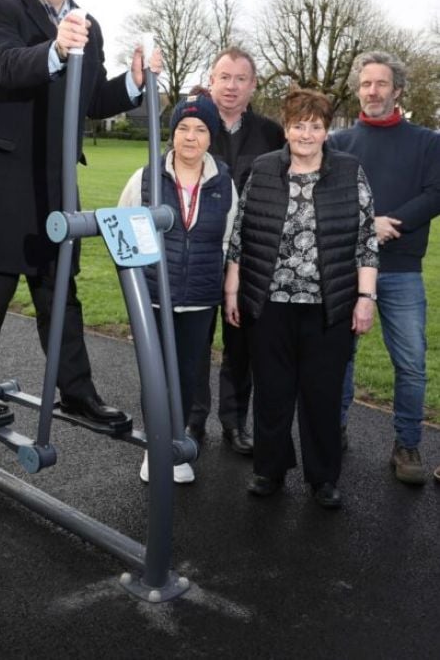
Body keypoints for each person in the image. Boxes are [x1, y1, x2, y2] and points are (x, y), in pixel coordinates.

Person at [0, 0, 161, 424]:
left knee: (59, 286)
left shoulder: (89, 24)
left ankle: (78, 392)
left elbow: (89, 101)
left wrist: (131, 83)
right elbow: (4, 66)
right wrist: (57, 50)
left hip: (53, 179)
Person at [224, 89, 378, 509]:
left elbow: (366, 240)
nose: (306, 134)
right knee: (272, 391)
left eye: (315, 125)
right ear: (286, 128)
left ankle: (323, 478)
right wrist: (233, 290)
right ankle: (269, 470)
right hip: (269, 303)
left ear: (327, 130)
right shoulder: (264, 168)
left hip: (329, 305)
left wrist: (366, 297)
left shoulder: (349, 171)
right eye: (298, 125)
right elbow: (242, 234)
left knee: (321, 394)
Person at [328, 51, 440, 484]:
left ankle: (406, 443)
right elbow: (326, 198)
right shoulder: (337, 143)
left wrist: (393, 224)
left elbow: (435, 192)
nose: (372, 91)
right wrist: (366, 225)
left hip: (401, 270)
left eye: (381, 84)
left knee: (411, 363)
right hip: (345, 269)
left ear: (398, 90)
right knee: (341, 357)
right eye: (365, 84)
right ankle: (333, 430)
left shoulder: (427, 142)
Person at [119, 92, 236, 483]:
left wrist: (221, 279)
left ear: (211, 135)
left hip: (199, 300)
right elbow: (121, 230)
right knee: (155, 375)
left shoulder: (223, 181)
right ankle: (156, 449)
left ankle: (178, 444)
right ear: (172, 134)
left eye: (200, 129)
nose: (191, 136)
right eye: (183, 128)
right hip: (153, 297)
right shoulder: (146, 177)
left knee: (188, 375)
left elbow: (229, 239)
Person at [200, 47, 285, 454]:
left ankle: (234, 425)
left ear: (253, 85)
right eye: (224, 77)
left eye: (240, 79)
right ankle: (191, 422)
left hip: (250, 258)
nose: (231, 86)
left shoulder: (271, 133)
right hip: (198, 253)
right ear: (211, 79)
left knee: (241, 348)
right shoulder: (192, 124)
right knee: (195, 345)